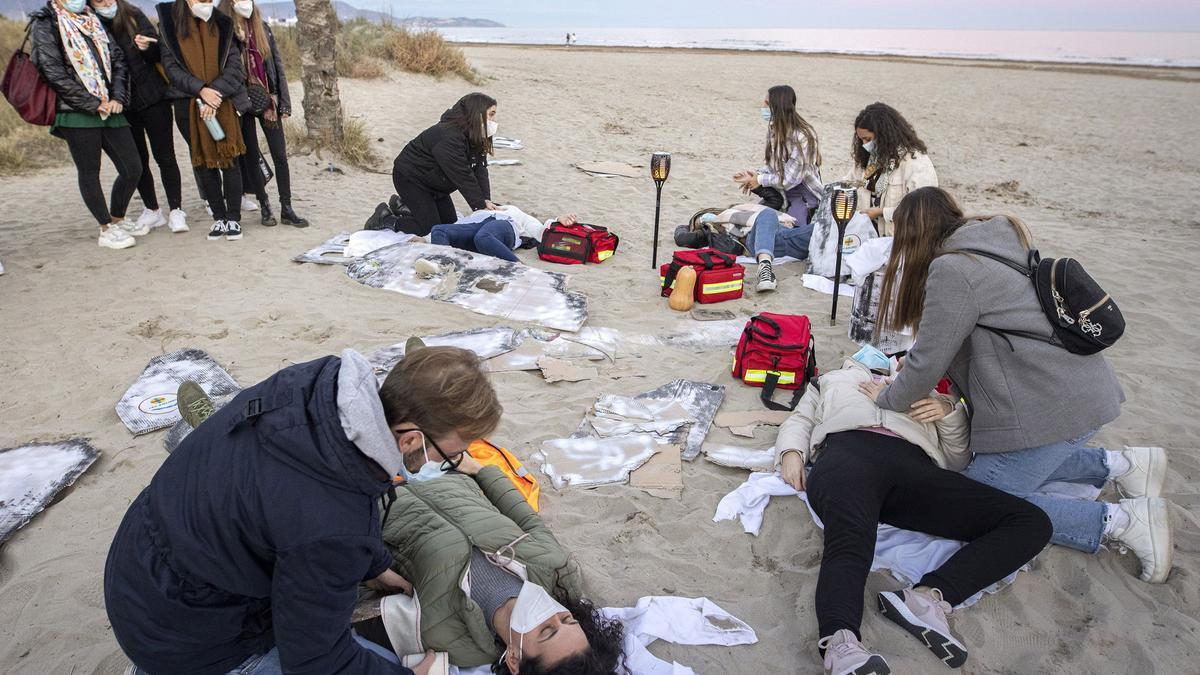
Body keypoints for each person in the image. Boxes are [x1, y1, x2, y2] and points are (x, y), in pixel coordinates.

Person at [104, 346, 502, 674]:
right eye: (451, 452)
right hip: (181, 634)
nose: (450, 460)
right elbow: (315, 660)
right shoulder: (332, 525)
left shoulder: (316, 385)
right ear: (412, 440)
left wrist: (373, 563)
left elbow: (301, 505)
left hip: (143, 559)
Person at [862, 186, 1173, 585]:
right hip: (1079, 390)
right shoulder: (998, 240)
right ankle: (1125, 465)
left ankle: (1121, 522)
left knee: (972, 505)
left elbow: (928, 362)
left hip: (1051, 405)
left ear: (914, 233)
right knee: (1004, 472)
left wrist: (886, 398)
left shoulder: (953, 268)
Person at [777, 347, 1053, 674]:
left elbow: (958, 458)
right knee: (851, 541)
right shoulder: (831, 380)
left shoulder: (924, 389)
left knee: (1031, 522)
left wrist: (948, 411)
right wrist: (791, 452)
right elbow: (801, 419)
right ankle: (842, 645)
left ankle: (927, 599)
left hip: (914, 468)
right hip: (848, 455)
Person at [369, 447, 624, 673]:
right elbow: (525, 517)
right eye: (568, 619)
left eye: (546, 631)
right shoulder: (558, 572)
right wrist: (480, 471)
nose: (555, 613)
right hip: (443, 475)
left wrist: (371, 572)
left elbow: (355, 589)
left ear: (514, 658)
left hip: (369, 494)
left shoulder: (447, 638)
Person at [30, 0, 142, 250]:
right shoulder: (45, 22)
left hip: (110, 107)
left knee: (133, 167)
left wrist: (117, 97)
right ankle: (105, 228)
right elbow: (51, 70)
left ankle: (117, 218)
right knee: (90, 171)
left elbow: (118, 61)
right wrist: (91, 103)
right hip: (75, 111)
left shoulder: (93, 19)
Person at [90, 0, 189, 234]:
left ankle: (176, 210)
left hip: (155, 98)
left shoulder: (133, 15)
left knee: (165, 156)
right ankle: (152, 210)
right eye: (98, 0)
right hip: (122, 106)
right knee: (139, 161)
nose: (105, 3)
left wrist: (147, 48)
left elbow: (161, 52)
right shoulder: (90, 24)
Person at [157, 0, 249, 241]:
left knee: (230, 159)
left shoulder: (223, 23)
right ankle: (218, 217)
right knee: (203, 161)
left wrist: (213, 94)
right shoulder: (169, 23)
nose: (206, 3)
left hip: (223, 101)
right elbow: (171, 68)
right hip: (188, 104)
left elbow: (234, 66)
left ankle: (233, 218)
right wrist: (200, 91)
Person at [219, 0, 308, 228]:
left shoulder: (262, 28)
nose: (244, 3)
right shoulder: (226, 31)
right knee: (251, 157)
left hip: (269, 100)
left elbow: (277, 66)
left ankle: (287, 208)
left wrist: (284, 103)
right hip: (243, 104)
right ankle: (265, 204)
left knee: (280, 155)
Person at [732, 85, 823, 292]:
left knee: (812, 233)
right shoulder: (774, 130)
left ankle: (765, 250)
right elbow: (772, 167)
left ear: (777, 106)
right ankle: (765, 267)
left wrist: (761, 180)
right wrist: (754, 176)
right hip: (783, 203)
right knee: (765, 217)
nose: (762, 107)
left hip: (806, 206)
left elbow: (791, 179)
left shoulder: (804, 136)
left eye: (766, 103)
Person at [392, 92, 499, 236]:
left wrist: (485, 200)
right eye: (491, 114)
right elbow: (461, 174)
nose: (493, 120)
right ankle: (387, 218)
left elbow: (480, 167)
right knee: (432, 231)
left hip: (437, 184)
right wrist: (479, 204)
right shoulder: (449, 135)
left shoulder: (475, 134)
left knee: (449, 226)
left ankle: (404, 207)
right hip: (411, 178)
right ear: (476, 113)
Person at [841, 102, 937, 236]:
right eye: (861, 140)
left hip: (900, 240)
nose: (864, 145)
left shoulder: (916, 163)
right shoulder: (867, 159)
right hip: (866, 237)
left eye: (868, 139)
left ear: (884, 135)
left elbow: (923, 209)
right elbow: (848, 183)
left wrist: (882, 212)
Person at [430, 205, 566, 263]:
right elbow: (454, 228)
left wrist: (557, 221)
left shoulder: (515, 212)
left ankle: (518, 265)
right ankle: (445, 265)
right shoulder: (478, 212)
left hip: (504, 227)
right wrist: (422, 240)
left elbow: (540, 232)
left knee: (482, 237)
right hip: (476, 226)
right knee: (438, 230)